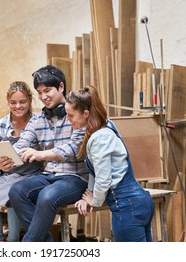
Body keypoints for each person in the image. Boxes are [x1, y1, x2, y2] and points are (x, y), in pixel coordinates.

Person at [7, 65, 89, 242]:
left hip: (75, 178)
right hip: (49, 175)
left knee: (47, 196)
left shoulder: (77, 114)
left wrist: (42, 155)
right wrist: (8, 158)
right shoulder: (38, 119)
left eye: (47, 90)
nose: (43, 97)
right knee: (16, 191)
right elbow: (23, 143)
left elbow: (74, 148)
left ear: (61, 87)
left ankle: (29, 244)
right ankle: (45, 243)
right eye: (39, 92)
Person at [65, 85, 155, 242]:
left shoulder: (99, 138)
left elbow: (103, 177)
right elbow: (96, 171)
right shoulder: (106, 125)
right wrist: (89, 193)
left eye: (71, 115)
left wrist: (95, 200)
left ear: (86, 113)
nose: (68, 120)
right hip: (139, 202)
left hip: (127, 208)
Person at [0, 81, 43, 242]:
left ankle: (13, 241)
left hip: (34, 174)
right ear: (8, 102)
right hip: (10, 174)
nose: (18, 106)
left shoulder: (39, 122)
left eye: (23, 102)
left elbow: (48, 150)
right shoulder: (0, 126)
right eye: (13, 102)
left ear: (29, 100)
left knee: (14, 196)